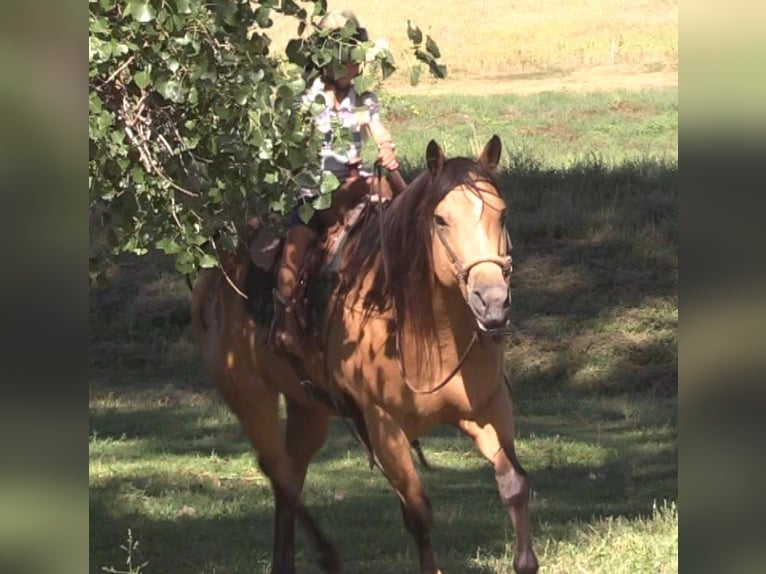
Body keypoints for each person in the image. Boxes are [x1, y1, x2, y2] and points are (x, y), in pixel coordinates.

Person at [270, 10, 400, 359]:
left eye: (357, 59)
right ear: (328, 62)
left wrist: (387, 149)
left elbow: (379, 132)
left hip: (356, 187)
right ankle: (287, 325)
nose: (355, 67)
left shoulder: (365, 100)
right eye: (348, 59)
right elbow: (292, 149)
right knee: (291, 262)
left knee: (395, 202)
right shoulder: (307, 102)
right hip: (316, 197)